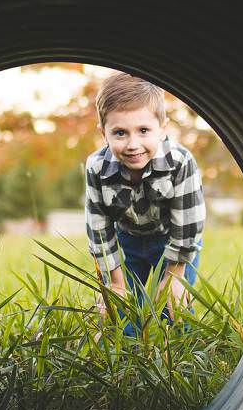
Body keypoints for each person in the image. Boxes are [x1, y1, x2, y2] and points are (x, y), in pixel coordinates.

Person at [83, 72, 206, 332]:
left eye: (143, 130)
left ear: (162, 129)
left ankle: (179, 352)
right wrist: (115, 281)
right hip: (126, 241)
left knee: (172, 310)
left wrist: (174, 274)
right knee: (124, 315)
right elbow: (98, 227)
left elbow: (188, 223)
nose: (133, 144)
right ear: (103, 133)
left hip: (173, 240)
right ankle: (129, 359)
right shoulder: (96, 167)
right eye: (120, 133)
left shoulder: (180, 162)